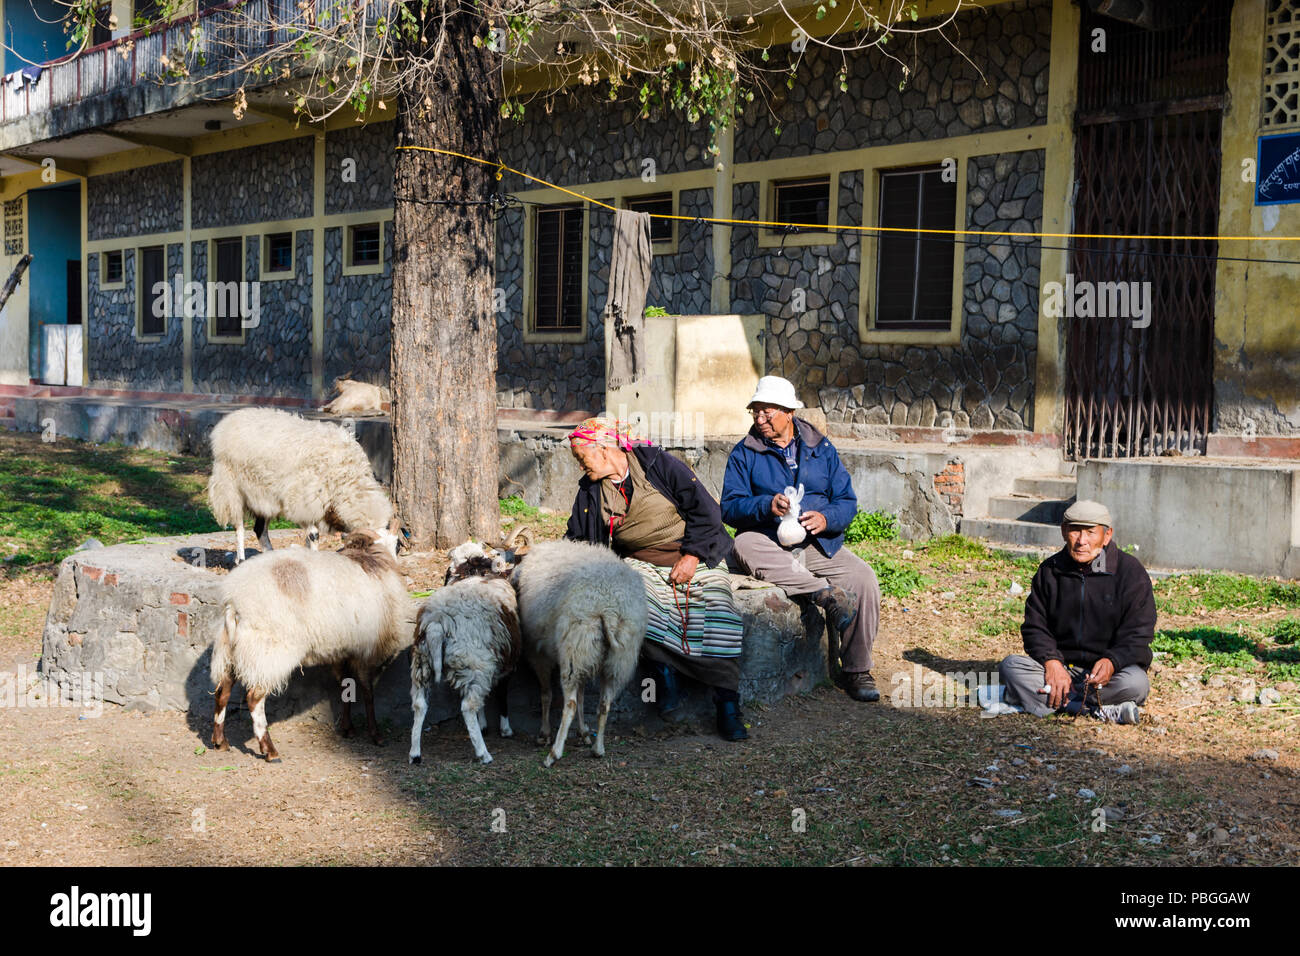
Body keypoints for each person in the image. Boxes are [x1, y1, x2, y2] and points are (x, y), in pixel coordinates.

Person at [563, 417, 748, 741]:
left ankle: (727, 705)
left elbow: (706, 511)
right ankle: (666, 675)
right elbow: (577, 540)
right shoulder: (591, 491)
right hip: (640, 562)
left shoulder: (658, 464)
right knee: (633, 608)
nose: (580, 463)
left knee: (719, 611)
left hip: (697, 552)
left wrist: (691, 557)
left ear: (605, 450)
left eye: (582, 455)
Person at [720, 376, 882, 702]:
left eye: (767, 413)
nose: (759, 420)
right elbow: (730, 507)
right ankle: (824, 594)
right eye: (755, 413)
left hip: (816, 544)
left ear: (788, 412)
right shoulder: (745, 452)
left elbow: (847, 502)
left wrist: (827, 519)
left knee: (863, 578)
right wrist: (766, 505)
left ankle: (857, 670)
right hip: (769, 543)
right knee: (743, 544)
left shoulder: (820, 449)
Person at [997, 500, 1155, 723]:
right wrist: (1052, 662)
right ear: (1063, 532)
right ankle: (1097, 710)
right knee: (1010, 667)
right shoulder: (1050, 571)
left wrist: (1113, 661)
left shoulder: (1130, 573)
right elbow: (1035, 626)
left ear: (1107, 535)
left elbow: (1139, 632)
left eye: (1091, 532)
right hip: (1062, 669)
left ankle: (1055, 702)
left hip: (1108, 675)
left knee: (1136, 683)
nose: (1082, 541)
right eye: (1074, 531)